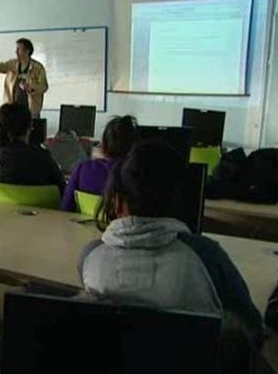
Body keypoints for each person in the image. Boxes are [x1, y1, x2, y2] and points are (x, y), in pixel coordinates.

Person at [78, 141, 263, 343]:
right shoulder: (205, 256)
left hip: (118, 370)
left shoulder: (91, 257)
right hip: (193, 372)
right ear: (179, 198)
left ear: (117, 200)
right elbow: (251, 327)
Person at [61, 115, 139, 212]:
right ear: (134, 145)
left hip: (86, 226)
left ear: (103, 144)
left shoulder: (82, 169)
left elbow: (66, 207)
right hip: (124, 227)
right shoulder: (137, 176)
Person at [0, 103, 65, 194]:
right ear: (29, 128)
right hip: (41, 207)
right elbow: (63, 190)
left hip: (8, 208)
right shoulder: (42, 157)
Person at [0, 38, 48, 118]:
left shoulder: (38, 68)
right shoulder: (12, 64)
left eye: (19, 49)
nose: (16, 51)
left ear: (27, 51)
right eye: (16, 49)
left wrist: (30, 86)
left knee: (31, 130)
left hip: (31, 110)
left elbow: (44, 87)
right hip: (12, 108)